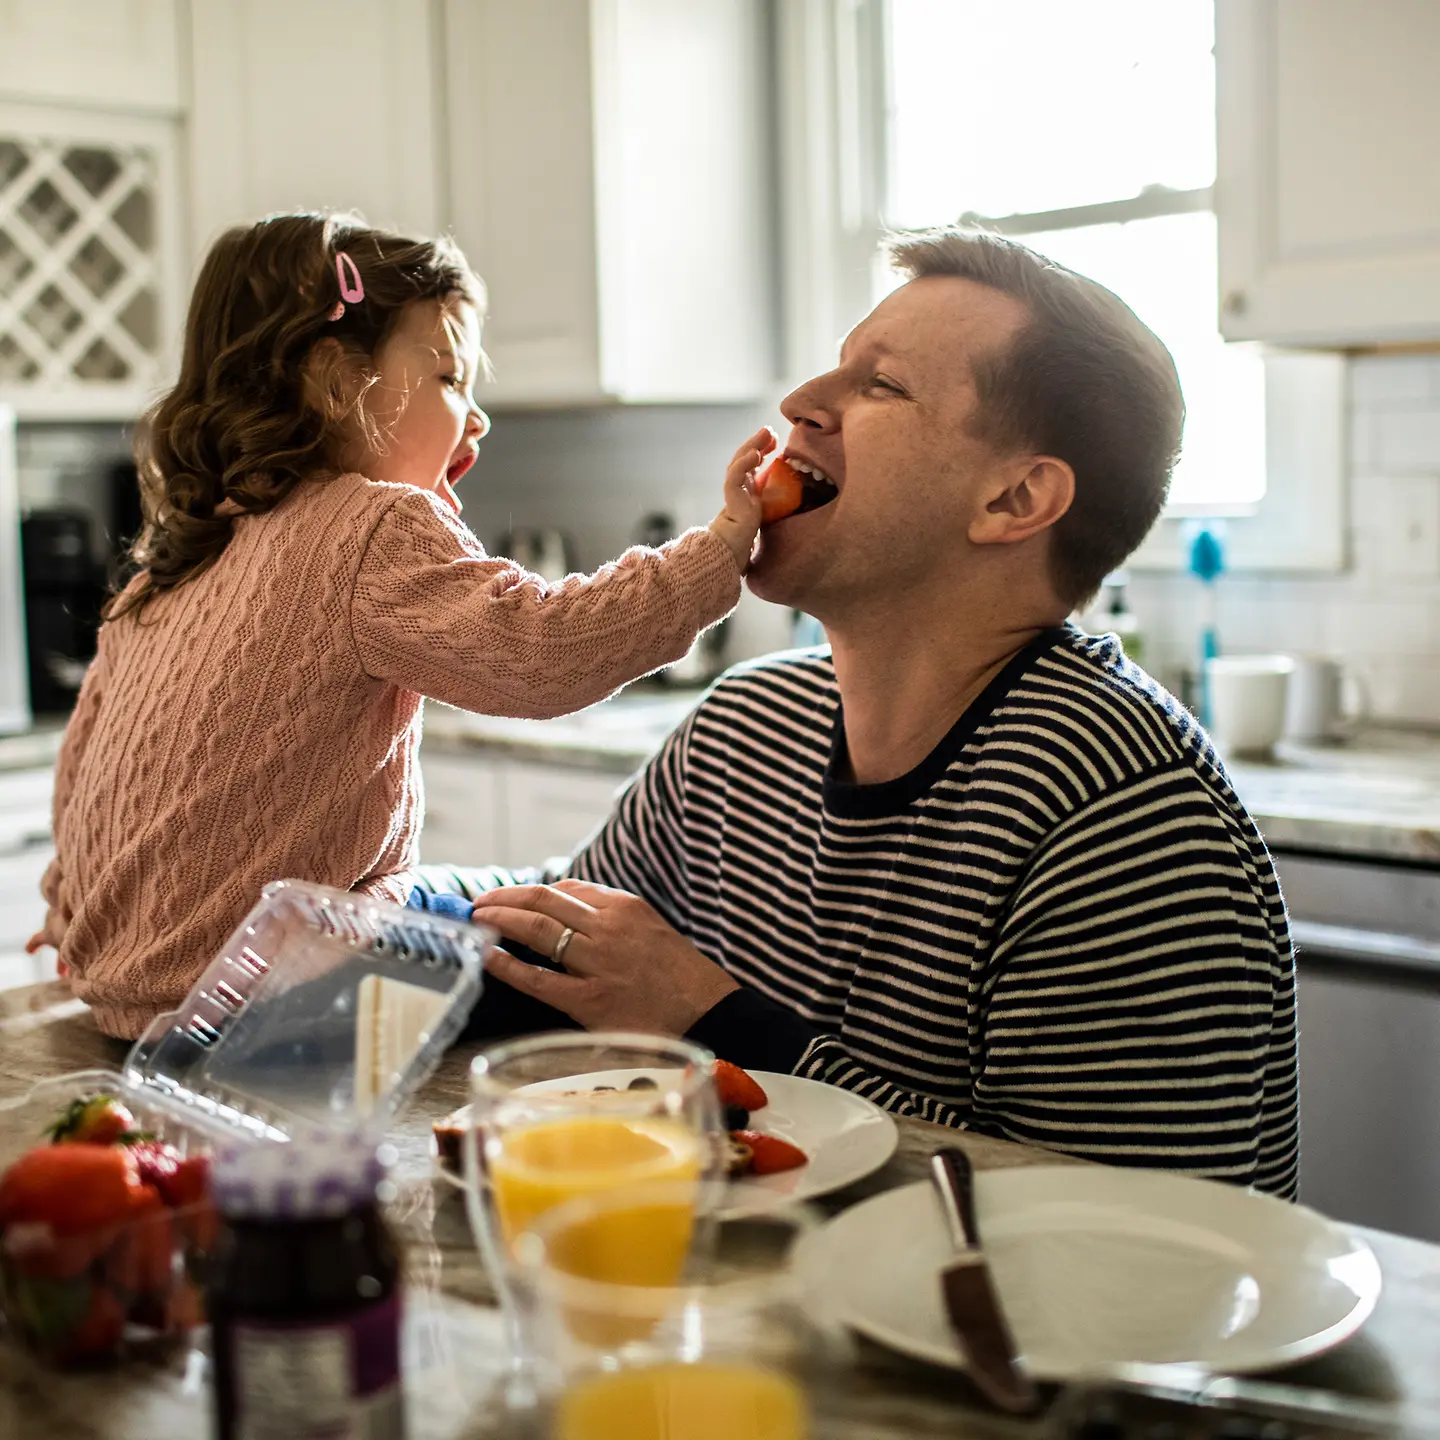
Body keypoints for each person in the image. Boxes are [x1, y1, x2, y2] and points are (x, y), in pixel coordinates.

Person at [412, 228, 1300, 1199]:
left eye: (881, 385)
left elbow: (1105, 1224)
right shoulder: (751, 725)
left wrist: (710, 1019)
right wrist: (351, 903)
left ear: (1015, 498)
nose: (800, 403)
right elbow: (568, 931)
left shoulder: (1127, 819)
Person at [27, 211, 768, 1040]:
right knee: (586, 959)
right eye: (449, 378)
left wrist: (69, 910)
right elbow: (541, 650)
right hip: (283, 995)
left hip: (130, 1002)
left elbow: (83, 781)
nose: (477, 418)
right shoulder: (369, 526)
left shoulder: (165, 572)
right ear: (336, 381)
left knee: (480, 899)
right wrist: (717, 553)